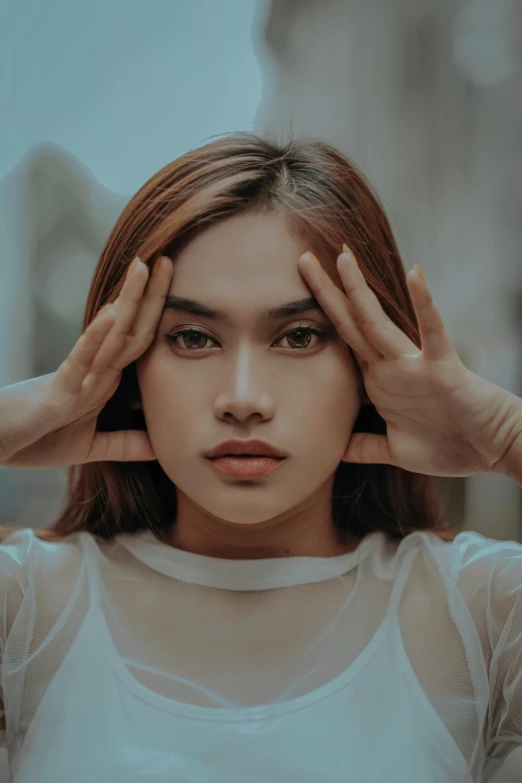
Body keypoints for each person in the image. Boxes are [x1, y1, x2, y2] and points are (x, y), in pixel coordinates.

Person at [0, 132, 521, 783]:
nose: (243, 398)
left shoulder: (480, 615)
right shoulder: (24, 608)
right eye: (193, 337)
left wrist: (506, 435)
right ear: (129, 369)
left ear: (368, 362)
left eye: (299, 336)